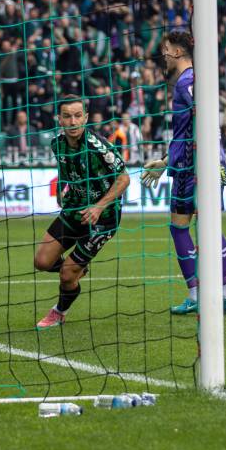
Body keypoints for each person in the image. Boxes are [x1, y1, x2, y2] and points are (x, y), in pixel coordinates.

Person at [141, 31, 226, 316]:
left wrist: (177, 164)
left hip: (191, 168)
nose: (163, 55)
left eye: (165, 49)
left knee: (179, 227)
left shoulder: (186, 82)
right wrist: (165, 161)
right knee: (210, 226)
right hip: (208, 164)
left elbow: (200, 126)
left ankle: (197, 294)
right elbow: (198, 127)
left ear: (174, 51)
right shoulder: (200, 79)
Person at [33, 95, 130, 330]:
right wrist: (60, 187)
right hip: (74, 209)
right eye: (67, 116)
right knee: (42, 261)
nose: (73, 121)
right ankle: (78, 267)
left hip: (102, 219)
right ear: (60, 119)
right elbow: (65, 167)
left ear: (86, 118)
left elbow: (124, 178)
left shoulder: (99, 147)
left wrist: (99, 206)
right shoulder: (57, 143)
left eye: (78, 116)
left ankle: (59, 312)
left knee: (67, 275)